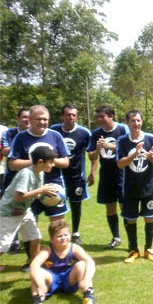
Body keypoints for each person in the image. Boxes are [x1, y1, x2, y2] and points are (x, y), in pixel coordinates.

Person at [7, 105, 70, 270]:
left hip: (54, 188)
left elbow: (65, 162)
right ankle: (32, 261)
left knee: (58, 224)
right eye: (38, 119)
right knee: (29, 225)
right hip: (29, 188)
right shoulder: (21, 138)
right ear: (30, 120)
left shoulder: (55, 135)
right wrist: (37, 162)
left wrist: (49, 161)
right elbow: (12, 164)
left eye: (45, 119)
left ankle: (60, 259)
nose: (42, 122)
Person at [116, 110, 153, 263]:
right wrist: (135, 154)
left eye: (138, 120)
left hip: (148, 188)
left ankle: (148, 249)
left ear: (141, 122)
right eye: (133, 121)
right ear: (127, 123)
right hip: (130, 188)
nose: (136, 123)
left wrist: (150, 156)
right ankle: (133, 250)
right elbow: (120, 164)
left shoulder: (151, 138)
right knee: (131, 219)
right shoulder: (122, 141)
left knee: (149, 218)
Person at [0, 147, 59, 268]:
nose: (53, 165)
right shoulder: (26, 174)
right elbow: (17, 197)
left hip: (24, 211)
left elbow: (36, 195)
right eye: (51, 162)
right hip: (9, 212)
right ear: (41, 162)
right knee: (3, 245)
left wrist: (46, 194)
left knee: (35, 238)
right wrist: (41, 190)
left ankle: (35, 267)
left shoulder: (40, 173)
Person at [28, 219, 97, 304]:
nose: (64, 238)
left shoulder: (74, 248)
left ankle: (88, 295)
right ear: (51, 239)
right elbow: (34, 265)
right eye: (59, 236)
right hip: (52, 278)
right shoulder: (47, 249)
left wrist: (86, 279)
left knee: (82, 265)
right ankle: (38, 303)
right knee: (36, 274)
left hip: (69, 279)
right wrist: (40, 285)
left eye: (66, 235)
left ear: (70, 235)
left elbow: (90, 261)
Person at [87, 105, 129, 249]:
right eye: (97, 117)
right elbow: (91, 156)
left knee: (125, 207)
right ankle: (116, 238)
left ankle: (131, 241)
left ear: (111, 116)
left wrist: (110, 146)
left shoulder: (122, 129)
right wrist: (97, 149)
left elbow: (129, 149)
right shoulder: (96, 133)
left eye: (102, 116)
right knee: (110, 207)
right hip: (106, 174)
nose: (99, 120)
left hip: (122, 174)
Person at [50, 105, 92, 245]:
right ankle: (57, 234)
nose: (71, 117)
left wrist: (92, 173)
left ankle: (75, 232)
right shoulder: (54, 130)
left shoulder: (84, 133)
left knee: (76, 205)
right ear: (62, 116)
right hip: (57, 175)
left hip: (76, 176)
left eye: (74, 115)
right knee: (56, 205)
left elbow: (92, 154)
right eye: (68, 115)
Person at [1, 108, 30, 255]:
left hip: (30, 178)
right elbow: (5, 151)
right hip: (12, 178)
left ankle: (27, 240)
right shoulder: (10, 133)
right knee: (11, 209)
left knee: (29, 209)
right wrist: (22, 147)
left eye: (29, 117)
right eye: (24, 117)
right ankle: (14, 241)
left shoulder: (34, 134)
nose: (27, 120)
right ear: (18, 118)